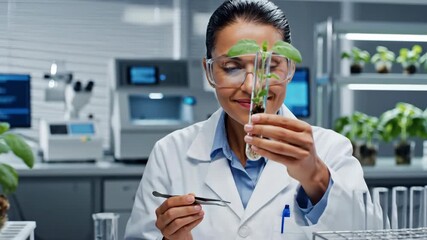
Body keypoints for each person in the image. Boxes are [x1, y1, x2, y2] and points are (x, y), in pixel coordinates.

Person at [125, 0, 373, 239]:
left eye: (270, 66)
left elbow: (369, 234)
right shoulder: (170, 153)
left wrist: (316, 177)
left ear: (289, 70)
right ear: (209, 71)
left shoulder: (331, 149)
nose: (252, 86)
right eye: (232, 67)